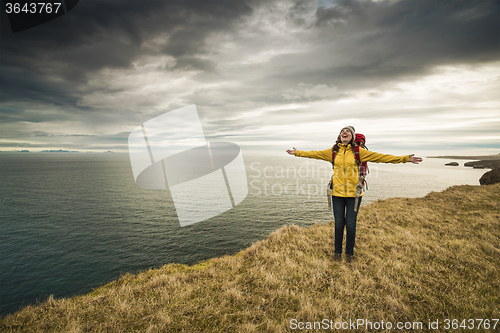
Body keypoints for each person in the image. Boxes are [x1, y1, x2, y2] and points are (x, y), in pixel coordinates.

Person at [286, 126, 422, 262]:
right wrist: (297, 153)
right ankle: (337, 253)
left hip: (354, 195)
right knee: (339, 224)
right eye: (342, 132)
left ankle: (349, 254)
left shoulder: (359, 152)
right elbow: (314, 154)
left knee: (351, 225)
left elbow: (381, 157)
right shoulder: (333, 152)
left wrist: (405, 158)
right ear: (339, 136)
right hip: (337, 194)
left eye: (347, 132)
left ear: (352, 137)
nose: (344, 133)